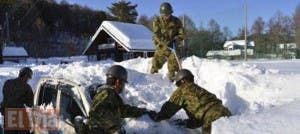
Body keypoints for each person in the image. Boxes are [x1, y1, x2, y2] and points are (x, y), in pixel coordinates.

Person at [148, 69, 231, 134]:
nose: (179, 86)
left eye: (179, 83)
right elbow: (200, 114)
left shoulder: (182, 90)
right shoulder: (200, 90)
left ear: (182, 81)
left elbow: (168, 110)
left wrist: (156, 116)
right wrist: (185, 123)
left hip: (210, 119)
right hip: (226, 113)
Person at [88, 65, 147, 134]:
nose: (124, 86)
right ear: (118, 82)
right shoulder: (108, 94)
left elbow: (122, 110)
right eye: (124, 83)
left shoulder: (105, 93)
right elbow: (97, 116)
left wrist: (141, 111)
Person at [150, 2, 185, 81]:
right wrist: (165, 42)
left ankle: (172, 78)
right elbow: (157, 35)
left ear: (171, 13)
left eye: (168, 15)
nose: (166, 17)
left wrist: (175, 40)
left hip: (173, 45)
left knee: (173, 60)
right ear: (161, 14)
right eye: (164, 15)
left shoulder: (176, 21)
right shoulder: (157, 21)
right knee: (156, 62)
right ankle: (152, 78)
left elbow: (182, 34)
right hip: (161, 45)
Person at [2, 67, 34, 134]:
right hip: (19, 115)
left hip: (7, 113)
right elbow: (30, 103)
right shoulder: (27, 87)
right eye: (29, 78)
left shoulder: (7, 83)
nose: (28, 80)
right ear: (25, 76)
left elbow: (5, 95)